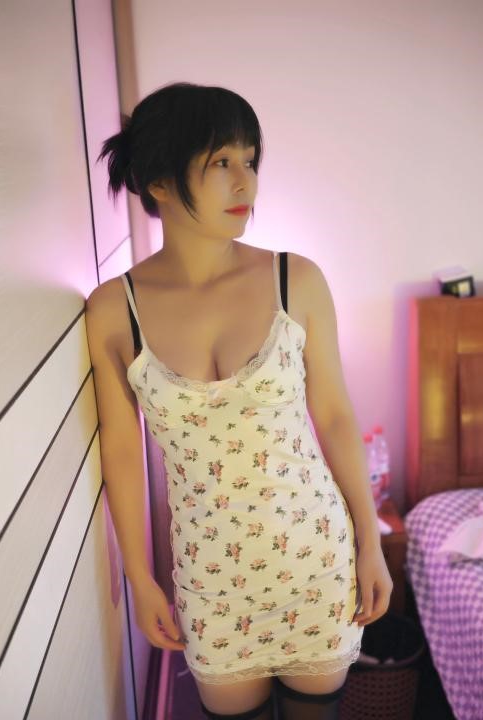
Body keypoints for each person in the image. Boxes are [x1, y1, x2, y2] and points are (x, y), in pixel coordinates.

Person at [86, 82, 392, 720]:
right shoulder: (115, 309)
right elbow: (121, 451)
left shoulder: (295, 278)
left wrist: (371, 542)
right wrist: (138, 577)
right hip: (213, 581)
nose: (244, 180)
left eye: (250, 160)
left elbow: (335, 417)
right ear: (159, 181)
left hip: (315, 561)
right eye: (221, 161)